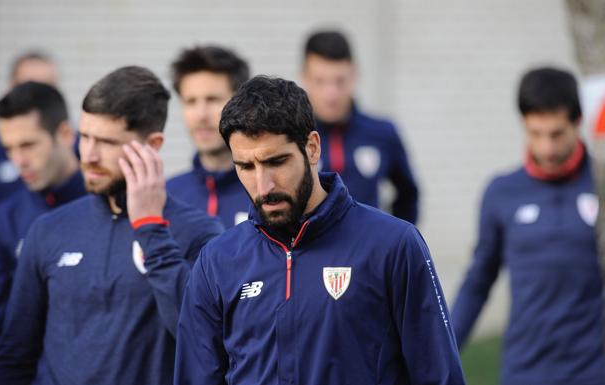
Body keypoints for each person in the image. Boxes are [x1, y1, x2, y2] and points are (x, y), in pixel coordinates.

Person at [174, 76, 465, 385]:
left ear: (312, 148)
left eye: (277, 161)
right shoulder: (217, 261)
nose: (263, 185)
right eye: (246, 167)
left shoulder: (393, 246)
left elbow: (439, 375)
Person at [0, 66, 224, 385]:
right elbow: (14, 356)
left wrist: (150, 227)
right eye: (85, 137)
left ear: (152, 145)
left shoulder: (198, 233)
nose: (89, 155)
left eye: (108, 142)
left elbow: (203, 345)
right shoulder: (48, 230)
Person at [451, 67, 605, 385]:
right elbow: (479, 281)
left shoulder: (601, 185)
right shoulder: (501, 192)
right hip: (526, 371)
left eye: (556, 133)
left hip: (594, 371)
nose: (546, 148)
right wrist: (442, 349)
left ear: (578, 123)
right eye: (536, 133)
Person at [0, 82, 85, 379]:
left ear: (65, 135)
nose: (18, 161)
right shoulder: (6, 218)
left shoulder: (108, 204)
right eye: (9, 149)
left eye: (27, 145)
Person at [301, 30, 419, 223]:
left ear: (354, 76)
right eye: (320, 81)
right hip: (310, 250)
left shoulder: (382, 132)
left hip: (369, 251)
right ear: (304, 78)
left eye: (339, 81)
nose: (331, 93)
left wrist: (393, 239)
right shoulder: (293, 137)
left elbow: (408, 194)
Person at [167, 46, 251, 228]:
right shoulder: (166, 197)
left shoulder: (269, 194)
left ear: (241, 103)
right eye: (190, 101)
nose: (201, 115)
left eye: (212, 99)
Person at [0, 51, 59, 216]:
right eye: (9, 148)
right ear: (12, 86)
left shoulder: (77, 149)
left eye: (48, 87)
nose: (20, 160)